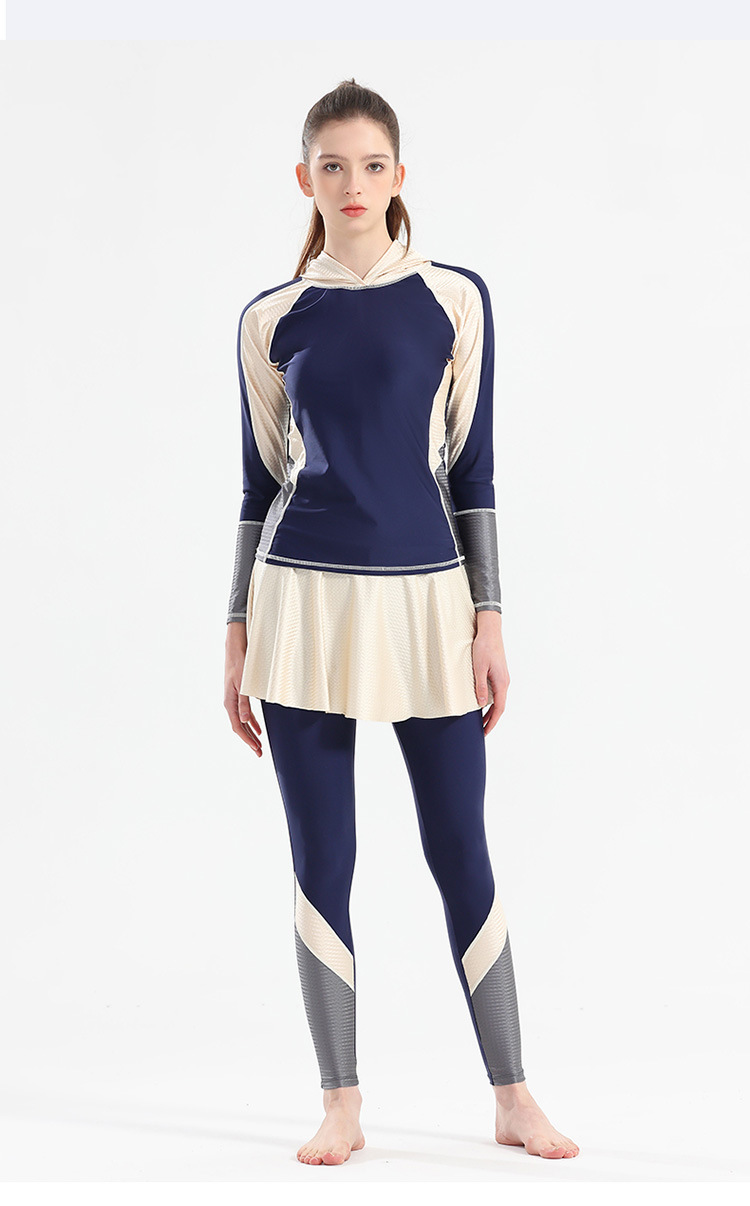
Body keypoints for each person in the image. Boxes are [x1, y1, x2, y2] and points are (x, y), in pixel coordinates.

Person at [223, 78, 579, 1167]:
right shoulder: (271, 319)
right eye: (332, 165)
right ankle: (341, 1102)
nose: (353, 183)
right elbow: (258, 486)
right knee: (322, 856)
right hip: (301, 608)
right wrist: (235, 631)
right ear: (304, 179)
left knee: (459, 844)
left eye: (372, 164)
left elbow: (473, 470)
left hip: (428, 606)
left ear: (399, 175)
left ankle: (513, 1095)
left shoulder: (454, 299)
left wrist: (490, 618)